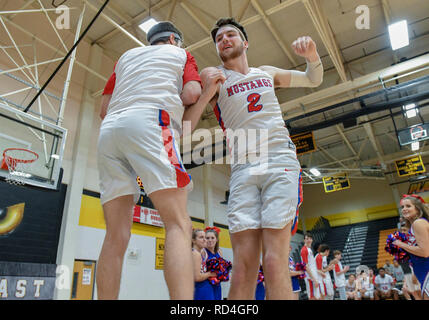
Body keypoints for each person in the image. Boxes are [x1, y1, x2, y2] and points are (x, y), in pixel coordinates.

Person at [96, 21, 224, 300]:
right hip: (152, 121)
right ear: (174, 40)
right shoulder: (182, 54)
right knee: (179, 224)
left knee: (115, 236)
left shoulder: (125, 58)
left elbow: (103, 109)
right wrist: (178, 99)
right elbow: (191, 93)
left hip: (109, 133)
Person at [199, 17, 323, 300]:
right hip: (243, 168)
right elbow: (192, 106)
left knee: (274, 262)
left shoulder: (266, 72)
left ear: (245, 42)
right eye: (219, 39)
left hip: (279, 160)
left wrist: (312, 55)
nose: (224, 40)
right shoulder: (214, 75)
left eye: (230, 35)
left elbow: (314, 79)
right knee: (244, 270)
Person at [393, 194, 429, 300]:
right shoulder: (415, 225)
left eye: (408, 206)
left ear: (417, 209)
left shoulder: (418, 223)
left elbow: (424, 252)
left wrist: (400, 244)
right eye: (402, 207)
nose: (404, 209)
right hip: (423, 271)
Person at [192, 229, 217, 300]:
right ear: (193, 240)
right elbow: (197, 277)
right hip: (200, 290)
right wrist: (210, 274)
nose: (204, 240)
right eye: (201, 237)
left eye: (204, 237)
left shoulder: (199, 253)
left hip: (204, 289)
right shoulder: (195, 254)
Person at [203, 227, 224, 300]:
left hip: (217, 285)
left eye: (212, 238)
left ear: (216, 239)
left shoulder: (219, 251)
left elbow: (222, 268)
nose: (210, 240)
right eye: (207, 238)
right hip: (206, 285)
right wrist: (210, 274)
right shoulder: (203, 252)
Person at [300, 233, 321, 300]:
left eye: (310, 238)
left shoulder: (309, 249)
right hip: (310, 277)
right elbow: (305, 266)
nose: (309, 240)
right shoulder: (304, 250)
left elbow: (312, 265)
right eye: (307, 239)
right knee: (312, 296)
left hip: (313, 276)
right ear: (304, 240)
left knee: (316, 296)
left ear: (312, 240)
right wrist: (314, 279)